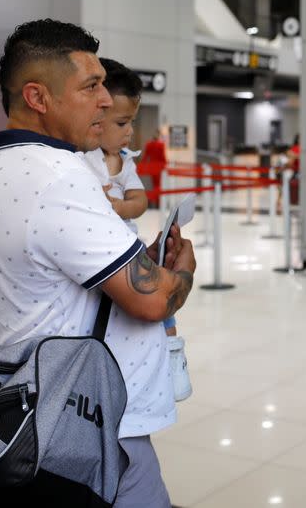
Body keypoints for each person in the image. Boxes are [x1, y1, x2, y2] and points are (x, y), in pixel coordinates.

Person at [0, 19, 196, 507]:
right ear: (38, 97)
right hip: (91, 421)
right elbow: (151, 299)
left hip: (26, 405)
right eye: (91, 86)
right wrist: (182, 271)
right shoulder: (59, 176)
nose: (106, 100)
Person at [82, 57, 193, 402]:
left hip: (128, 243)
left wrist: (115, 206)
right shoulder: (82, 159)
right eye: (122, 122)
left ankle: (172, 350)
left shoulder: (124, 160)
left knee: (157, 292)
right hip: (102, 254)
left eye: (130, 122)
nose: (129, 131)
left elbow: (140, 200)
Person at [140, 129, 167, 206]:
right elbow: (163, 157)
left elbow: (145, 157)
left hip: (152, 167)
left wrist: (142, 166)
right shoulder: (161, 145)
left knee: (154, 184)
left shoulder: (149, 144)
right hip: (159, 167)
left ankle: (154, 201)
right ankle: (158, 202)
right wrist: (165, 165)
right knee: (158, 185)